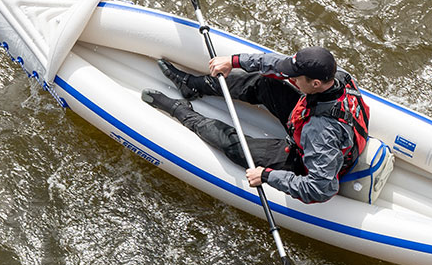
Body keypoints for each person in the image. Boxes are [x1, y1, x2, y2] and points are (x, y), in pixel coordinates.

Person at [141, 47, 369, 204]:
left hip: (302, 157)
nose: (293, 80)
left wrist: (268, 176)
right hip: (309, 120)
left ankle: (183, 112)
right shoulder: (340, 77)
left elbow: (320, 189)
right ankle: (191, 84)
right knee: (265, 82)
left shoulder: (321, 134)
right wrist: (234, 61)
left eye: (298, 78)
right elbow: (278, 65)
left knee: (237, 147)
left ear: (316, 83)